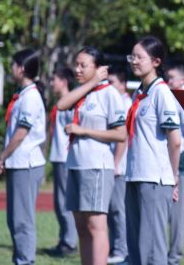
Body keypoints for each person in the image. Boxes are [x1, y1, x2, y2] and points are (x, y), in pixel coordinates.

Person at [57, 47, 127, 265]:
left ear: (98, 68)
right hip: (76, 164)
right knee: (81, 226)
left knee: (96, 226)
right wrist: (91, 82)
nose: (77, 69)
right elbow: (61, 104)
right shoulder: (84, 92)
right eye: (76, 64)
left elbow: (120, 134)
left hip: (96, 167)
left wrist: (83, 130)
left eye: (83, 65)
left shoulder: (109, 94)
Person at [125, 36, 182, 265]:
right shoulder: (139, 93)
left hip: (154, 178)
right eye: (132, 57)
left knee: (151, 249)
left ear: (156, 61)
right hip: (134, 174)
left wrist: (173, 176)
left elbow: (175, 141)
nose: (134, 61)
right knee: (136, 246)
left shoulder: (161, 93)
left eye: (140, 57)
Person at [0, 49, 47, 265]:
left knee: (22, 219)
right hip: (19, 162)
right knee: (15, 218)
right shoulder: (23, 94)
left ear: (22, 69)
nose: (11, 69)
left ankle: (25, 261)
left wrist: (1, 157)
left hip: (26, 163)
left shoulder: (31, 97)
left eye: (13, 65)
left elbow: (21, 133)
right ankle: (21, 260)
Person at [44, 66, 78, 257]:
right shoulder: (61, 103)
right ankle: (64, 238)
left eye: (54, 80)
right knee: (59, 202)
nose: (51, 83)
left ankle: (69, 242)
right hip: (58, 157)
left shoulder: (70, 103)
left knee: (65, 201)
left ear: (64, 81)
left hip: (65, 158)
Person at [166, 60, 184, 265]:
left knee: (177, 213)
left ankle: (174, 256)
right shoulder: (166, 96)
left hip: (180, 158)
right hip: (165, 157)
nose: (169, 81)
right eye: (167, 77)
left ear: (182, 80)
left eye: (172, 78)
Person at [107, 68, 131, 264]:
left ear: (123, 85)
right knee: (110, 209)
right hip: (113, 164)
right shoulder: (114, 101)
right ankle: (114, 247)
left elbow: (124, 137)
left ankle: (121, 249)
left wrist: (115, 164)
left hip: (121, 166)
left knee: (117, 209)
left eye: (112, 82)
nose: (109, 86)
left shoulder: (125, 104)